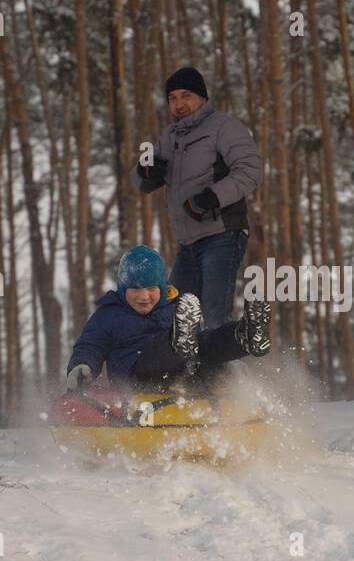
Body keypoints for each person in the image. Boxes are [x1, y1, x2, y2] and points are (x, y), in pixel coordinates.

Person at [132, 66, 262, 330]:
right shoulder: (170, 136)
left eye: (186, 96)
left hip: (223, 235)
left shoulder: (224, 127)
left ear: (202, 97)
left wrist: (210, 199)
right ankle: (185, 372)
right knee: (176, 317)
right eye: (173, 98)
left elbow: (250, 171)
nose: (179, 104)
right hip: (187, 244)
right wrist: (145, 169)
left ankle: (227, 371)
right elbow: (140, 182)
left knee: (215, 316)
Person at [65, 244, 270, 393]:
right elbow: (90, 345)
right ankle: (178, 342)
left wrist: (222, 356)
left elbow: (201, 345)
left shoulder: (175, 307)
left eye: (151, 289)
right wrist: (82, 365)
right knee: (169, 345)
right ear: (122, 289)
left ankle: (242, 337)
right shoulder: (108, 315)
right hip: (138, 377)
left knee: (206, 342)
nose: (143, 296)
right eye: (134, 289)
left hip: (184, 372)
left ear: (162, 288)